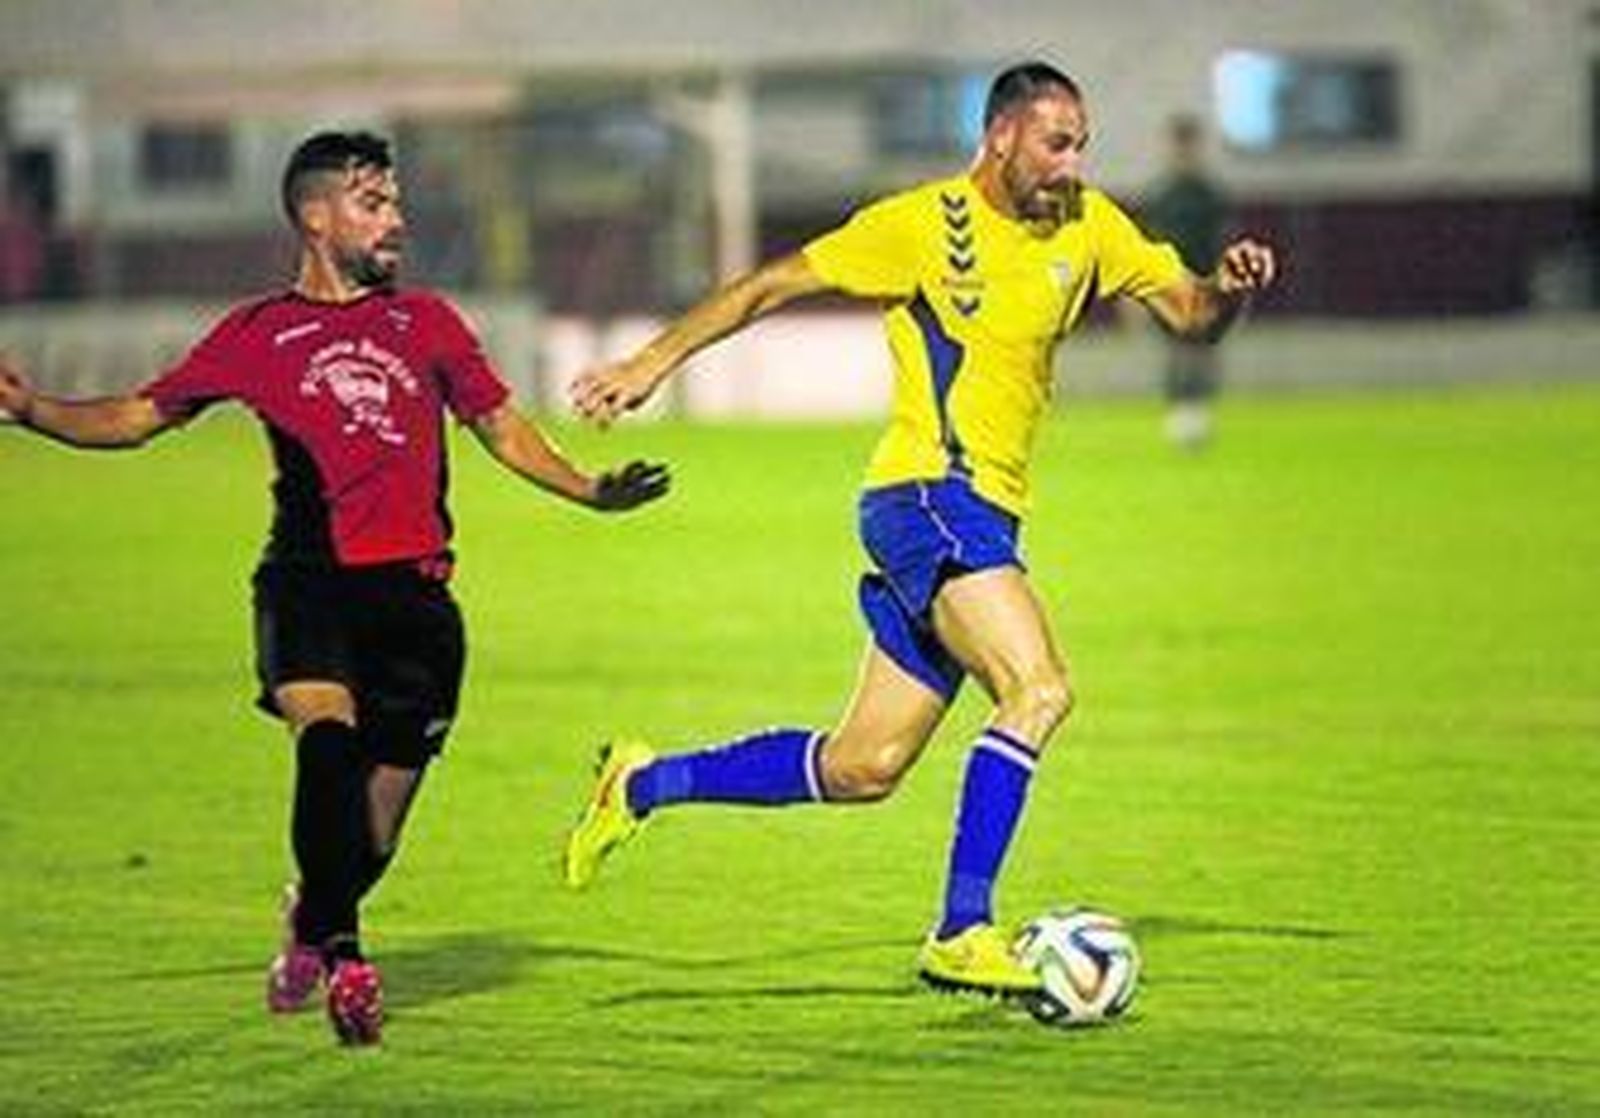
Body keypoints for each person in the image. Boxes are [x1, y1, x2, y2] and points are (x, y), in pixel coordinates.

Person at [562, 62, 1275, 996]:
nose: (1072, 165)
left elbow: (1191, 316)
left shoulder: (1092, 227)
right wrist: (654, 359)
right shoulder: (922, 226)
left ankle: (640, 784)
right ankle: (962, 930)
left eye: (1082, 146)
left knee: (866, 765)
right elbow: (772, 285)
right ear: (1003, 136)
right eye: (1057, 144)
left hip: (973, 510)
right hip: (927, 496)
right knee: (1039, 688)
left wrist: (1228, 288)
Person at [0, 131, 669, 1045]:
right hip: (308, 583)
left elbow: (504, 431)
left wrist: (591, 491)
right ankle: (348, 956)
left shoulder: (427, 323)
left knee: (373, 835)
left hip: (417, 602)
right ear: (315, 215)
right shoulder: (257, 334)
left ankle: (313, 914)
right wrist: (33, 410)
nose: (394, 219)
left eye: (394, 203)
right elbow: (135, 417)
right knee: (324, 744)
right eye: (372, 202)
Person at [1141, 114, 1232, 450]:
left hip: (1206, 285)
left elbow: (1225, 243)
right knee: (1176, 350)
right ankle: (1179, 414)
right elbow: (1145, 248)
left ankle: (1200, 413)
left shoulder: (1211, 195)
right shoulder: (1160, 196)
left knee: (1203, 349)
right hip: (1169, 286)